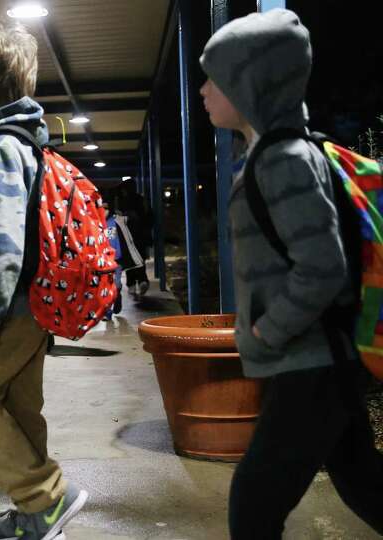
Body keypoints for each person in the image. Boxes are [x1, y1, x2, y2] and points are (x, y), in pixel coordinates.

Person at [199, 9, 383, 538]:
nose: (205, 90)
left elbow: (323, 268)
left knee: (254, 502)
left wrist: (266, 330)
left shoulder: (285, 161)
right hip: (318, 359)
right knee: (363, 483)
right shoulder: (271, 156)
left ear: (252, 84)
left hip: (310, 360)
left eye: (218, 78)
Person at [0, 19, 88, 540]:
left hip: (10, 308)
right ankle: (38, 507)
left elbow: (4, 242)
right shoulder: (28, 143)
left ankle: (46, 498)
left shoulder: (2, 148)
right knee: (17, 404)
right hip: (35, 305)